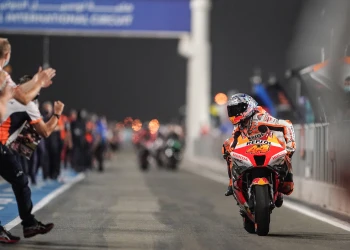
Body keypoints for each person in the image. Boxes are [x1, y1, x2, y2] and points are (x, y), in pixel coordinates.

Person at [0, 74, 64, 241]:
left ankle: (26, 224)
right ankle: (29, 224)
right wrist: (57, 114)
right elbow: (46, 131)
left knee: (19, 180)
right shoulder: (28, 104)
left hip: (3, 145)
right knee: (20, 181)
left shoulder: (8, 92)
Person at [222, 93, 295, 207]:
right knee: (226, 146)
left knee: (285, 153)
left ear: (248, 107)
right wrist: (231, 150)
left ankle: (284, 182)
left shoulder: (260, 117)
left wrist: (290, 147)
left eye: (238, 109)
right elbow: (234, 140)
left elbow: (287, 124)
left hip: (268, 146)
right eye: (232, 110)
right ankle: (232, 182)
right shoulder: (239, 124)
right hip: (249, 149)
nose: (235, 112)